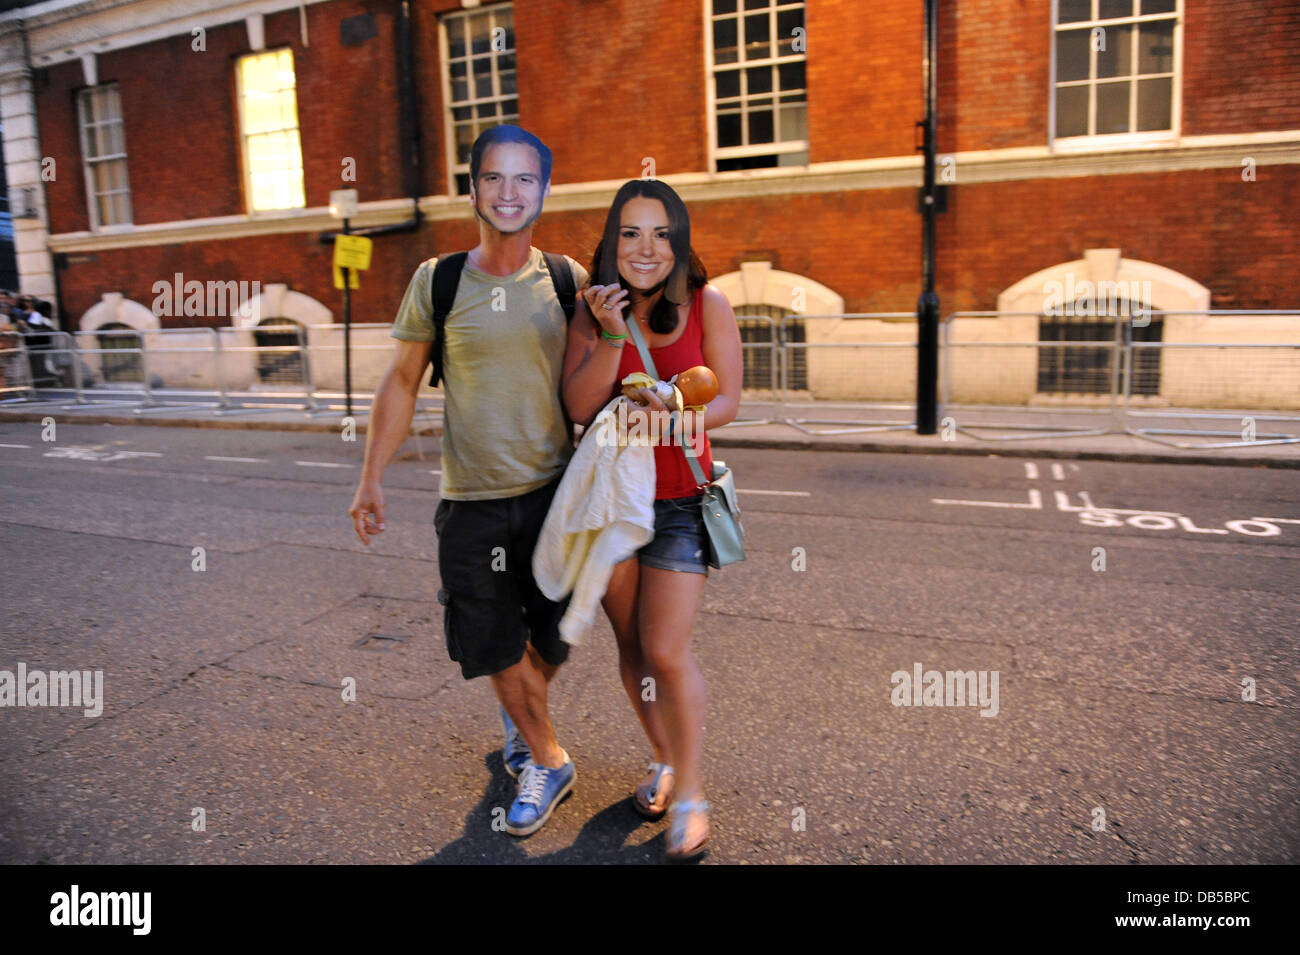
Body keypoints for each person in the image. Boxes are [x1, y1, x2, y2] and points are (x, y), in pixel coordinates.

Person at [348, 124, 589, 837]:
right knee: (488, 634)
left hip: (554, 494)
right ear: (473, 188)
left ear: (543, 191)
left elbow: (597, 378)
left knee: (550, 638)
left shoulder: (568, 279)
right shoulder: (440, 280)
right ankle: (547, 756)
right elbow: (400, 380)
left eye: (524, 179)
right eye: (494, 177)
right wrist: (372, 479)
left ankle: (522, 720)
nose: (508, 192)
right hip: (472, 499)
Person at [560, 179, 743, 861]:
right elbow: (580, 405)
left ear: (680, 240)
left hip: (678, 502)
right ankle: (664, 758)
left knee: (666, 649)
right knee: (632, 649)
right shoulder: (594, 309)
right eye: (630, 233)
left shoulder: (707, 303)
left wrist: (672, 412)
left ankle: (691, 791)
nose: (646, 247)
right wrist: (608, 333)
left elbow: (726, 401)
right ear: (611, 243)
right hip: (612, 501)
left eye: (661, 233)